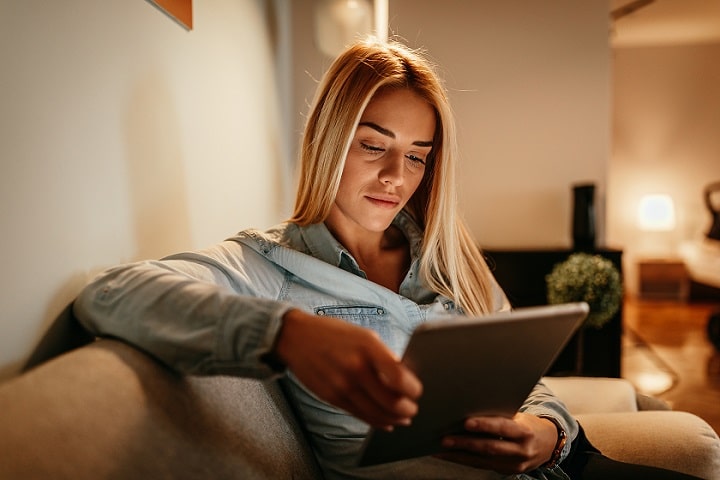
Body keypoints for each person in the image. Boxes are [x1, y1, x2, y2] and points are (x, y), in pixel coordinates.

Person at [73, 39, 698, 480]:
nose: (397, 176)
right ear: (328, 140)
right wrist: (286, 332)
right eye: (373, 146)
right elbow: (109, 293)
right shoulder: (265, 265)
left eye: (419, 155)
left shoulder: (448, 258)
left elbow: (525, 385)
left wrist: (547, 433)